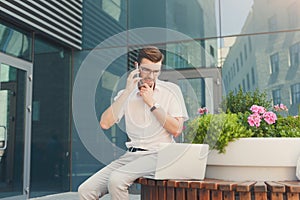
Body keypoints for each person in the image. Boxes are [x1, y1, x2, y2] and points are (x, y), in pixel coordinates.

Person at [78, 46, 188, 200]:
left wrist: (152, 104)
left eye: (156, 71)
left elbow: (176, 130)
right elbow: (105, 123)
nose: (151, 76)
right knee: (86, 190)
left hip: (159, 155)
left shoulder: (171, 91)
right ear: (137, 67)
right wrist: (128, 91)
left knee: (116, 180)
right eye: (146, 70)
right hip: (131, 156)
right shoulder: (126, 94)